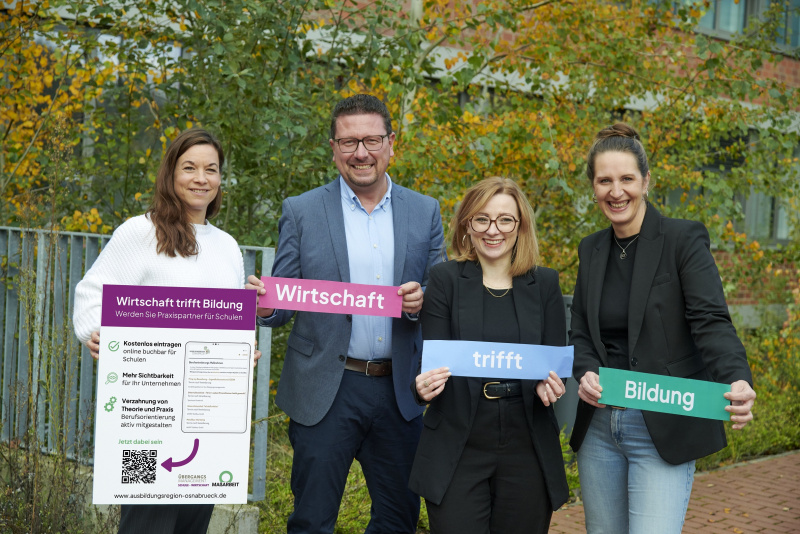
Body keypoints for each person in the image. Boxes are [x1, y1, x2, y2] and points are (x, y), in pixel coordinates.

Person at [246, 93, 445, 533]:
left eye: (371, 140)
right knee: (312, 521)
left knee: (398, 521)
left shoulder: (424, 211)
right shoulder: (301, 211)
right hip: (324, 389)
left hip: (399, 390)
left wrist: (422, 301)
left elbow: (441, 294)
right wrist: (265, 305)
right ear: (334, 148)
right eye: (349, 142)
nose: (361, 153)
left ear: (391, 143)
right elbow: (281, 304)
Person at [569, 123, 756, 533]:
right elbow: (580, 329)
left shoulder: (682, 239)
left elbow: (710, 321)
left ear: (646, 181)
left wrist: (736, 378)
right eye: (604, 181)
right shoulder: (591, 249)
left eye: (626, 179)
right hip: (599, 427)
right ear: (593, 187)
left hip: (663, 420)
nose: (616, 191)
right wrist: (586, 372)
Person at [73, 128, 249, 534]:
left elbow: (228, 326)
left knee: (192, 524)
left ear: (220, 178)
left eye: (211, 169)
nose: (201, 178)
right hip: (146, 417)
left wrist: (242, 353)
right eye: (189, 168)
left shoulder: (227, 246)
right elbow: (91, 293)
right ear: (171, 173)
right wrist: (97, 333)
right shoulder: (140, 232)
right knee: (145, 524)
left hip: (206, 419)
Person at [408, 177, 570, 534]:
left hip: (527, 440)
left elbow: (554, 366)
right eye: (482, 219)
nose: (493, 230)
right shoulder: (445, 280)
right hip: (458, 441)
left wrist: (550, 385)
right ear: (467, 225)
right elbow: (430, 362)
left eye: (505, 220)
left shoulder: (545, 284)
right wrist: (421, 388)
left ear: (520, 226)